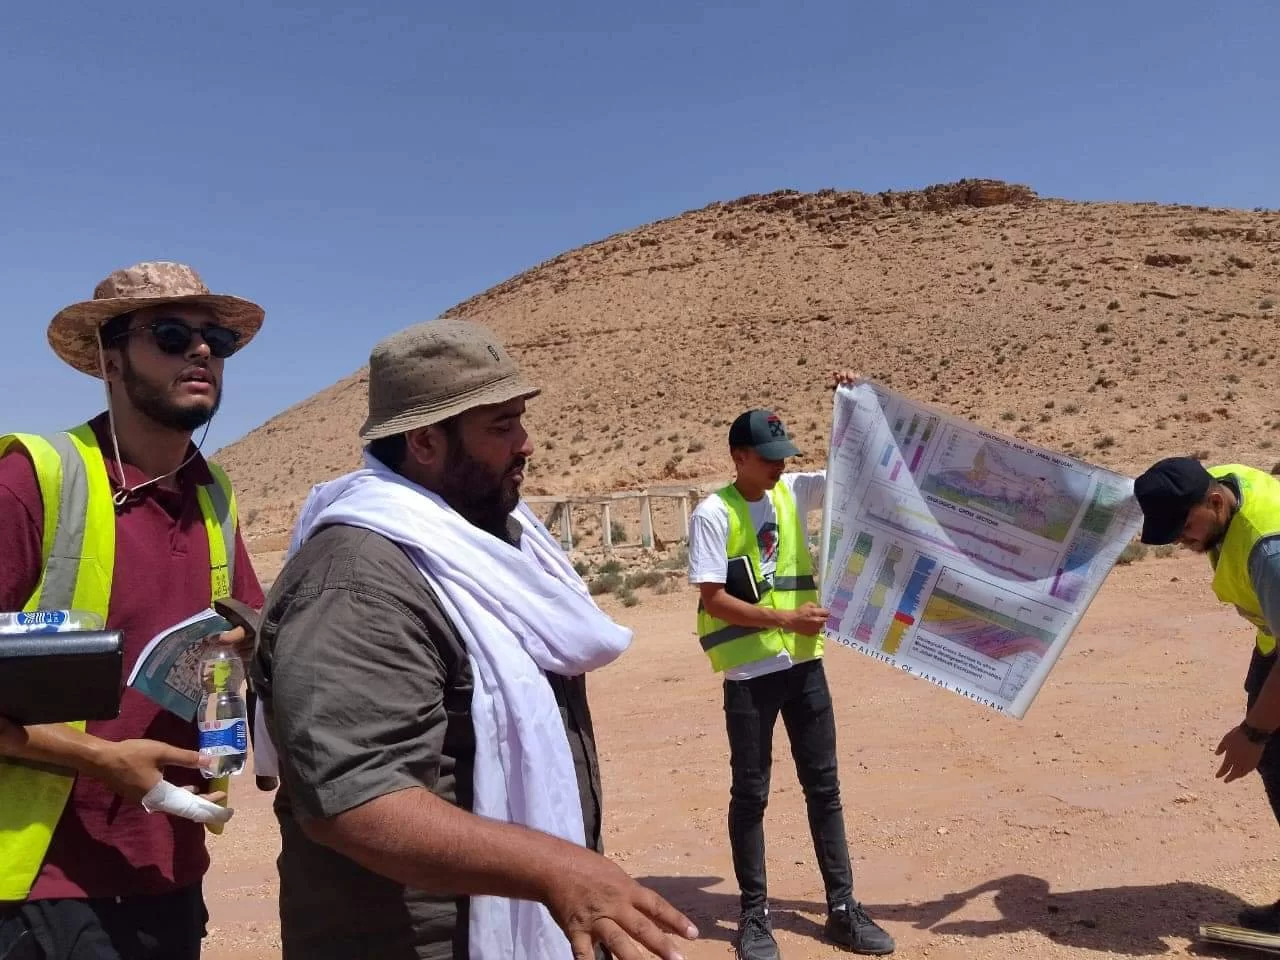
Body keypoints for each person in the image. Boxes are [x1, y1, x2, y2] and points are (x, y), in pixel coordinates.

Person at [251, 318, 698, 960]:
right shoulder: (357, 583)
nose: (526, 444)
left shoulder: (489, 541)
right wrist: (555, 868)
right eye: (502, 426)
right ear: (426, 442)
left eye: (520, 421)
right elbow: (353, 798)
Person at [0, 262, 268, 960]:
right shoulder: (35, 479)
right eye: (172, 335)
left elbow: (247, 626)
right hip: (43, 887)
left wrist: (246, 646)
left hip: (169, 868)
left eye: (217, 340)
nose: (202, 351)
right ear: (111, 360)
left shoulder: (214, 493)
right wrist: (103, 760)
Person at [688, 373, 895, 959]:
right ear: (739, 456)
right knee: (750, 795)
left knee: (824, 788)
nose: (780, 466)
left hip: (805, 668)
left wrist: (855, 404)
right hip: (750, 678)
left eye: (784, 456)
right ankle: (754, 917)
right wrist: (784, 619)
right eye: (769, 457)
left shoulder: (793, 492)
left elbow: (858, 473)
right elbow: (713, 599)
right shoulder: (714, 513)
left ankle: (842, 909)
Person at [1134, 457, 1280, 933]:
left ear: (1215, 502)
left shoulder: (1269, 552)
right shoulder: (1222, 483)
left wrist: (1254, 733)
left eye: (1184, 527)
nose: (1182, 539)